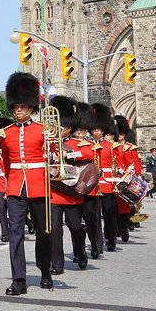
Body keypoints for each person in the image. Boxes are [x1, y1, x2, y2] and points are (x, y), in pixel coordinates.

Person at [0, 72, 51, 295]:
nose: (18, 110)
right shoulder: (5, 134)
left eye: (22, 106)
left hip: (39, 184)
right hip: (16, 186)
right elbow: (7, 164)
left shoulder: (43, 130)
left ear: (31, 106)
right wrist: (9, 187)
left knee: (43, 232)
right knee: (15, 232)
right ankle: (19, 279)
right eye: (15, 106)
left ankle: (45, 271)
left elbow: (55, 158)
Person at [48, 96, 91, 275]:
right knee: (55, 230)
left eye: (64, 127)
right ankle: (57, 264)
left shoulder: (76, 143)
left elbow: (89, 152)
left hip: (71, 192)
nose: (61, 130)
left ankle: (80, 252)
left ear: (70, 128)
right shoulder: (48, 143)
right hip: (54, 192)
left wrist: (71, 155)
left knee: (75, 227)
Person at [90, 104, 119, 252]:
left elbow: (117, 164)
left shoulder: (111, 146)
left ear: (103, 130)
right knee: (94, 216)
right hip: (93, 185)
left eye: (99, 129)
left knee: (109, 213)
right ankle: (97, 242)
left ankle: (111, 238)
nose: (96, 132)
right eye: (94, 129)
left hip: (107, 183)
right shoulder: (87, 145)